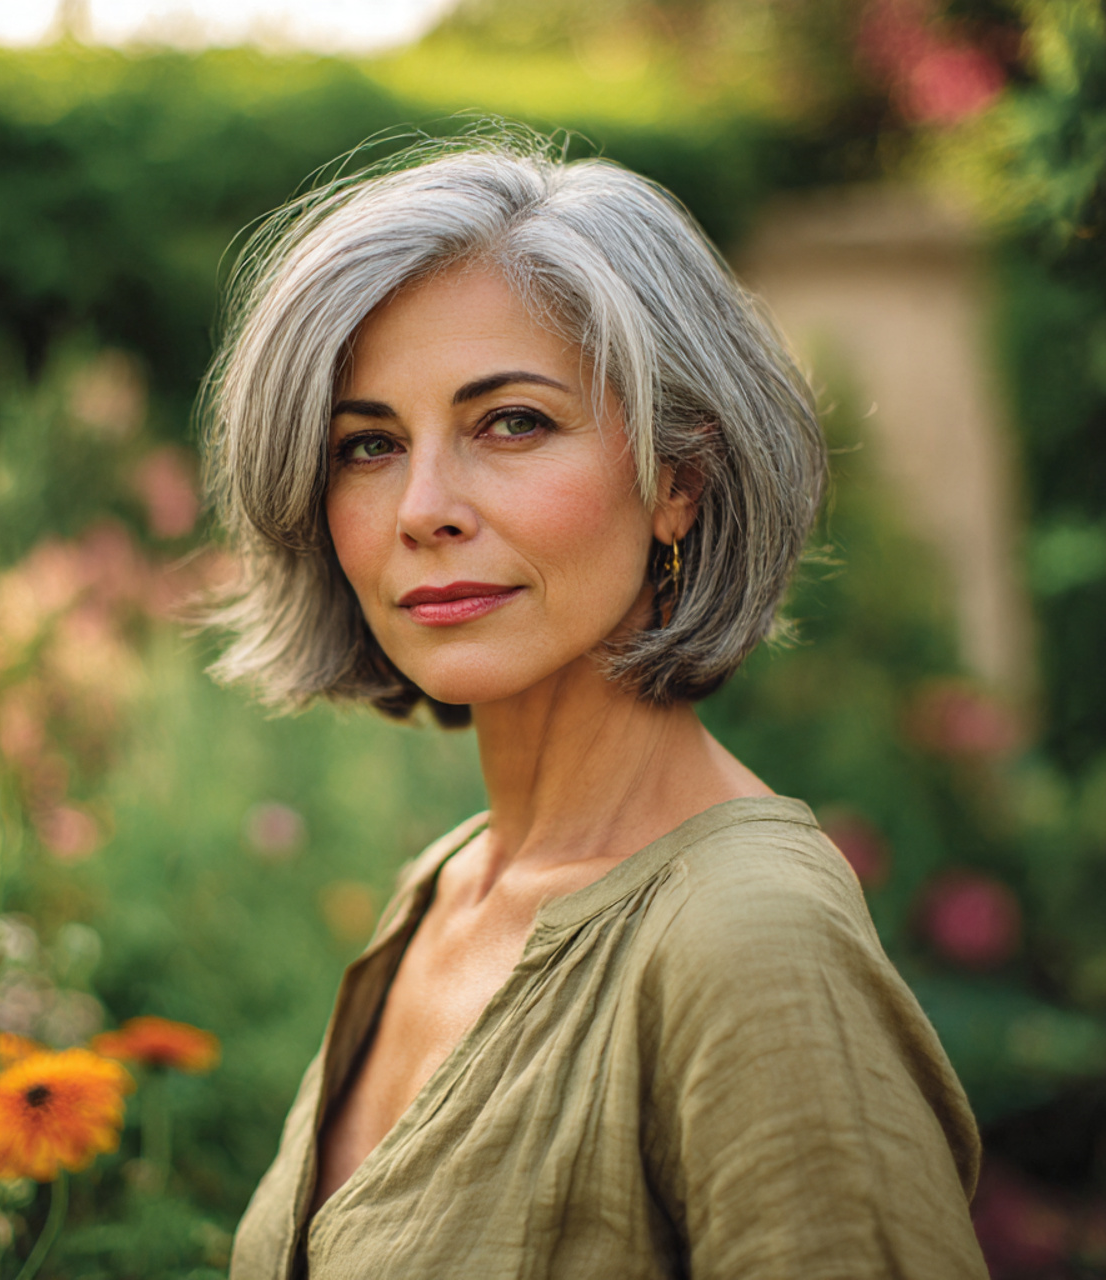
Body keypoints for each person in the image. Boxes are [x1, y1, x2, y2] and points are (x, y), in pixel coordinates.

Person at [202, 135, 988, 1279]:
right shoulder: (442, 885)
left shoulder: (746, 940)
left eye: (510, 421)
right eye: (367, 444)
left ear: (678, 479)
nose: (422, 506)